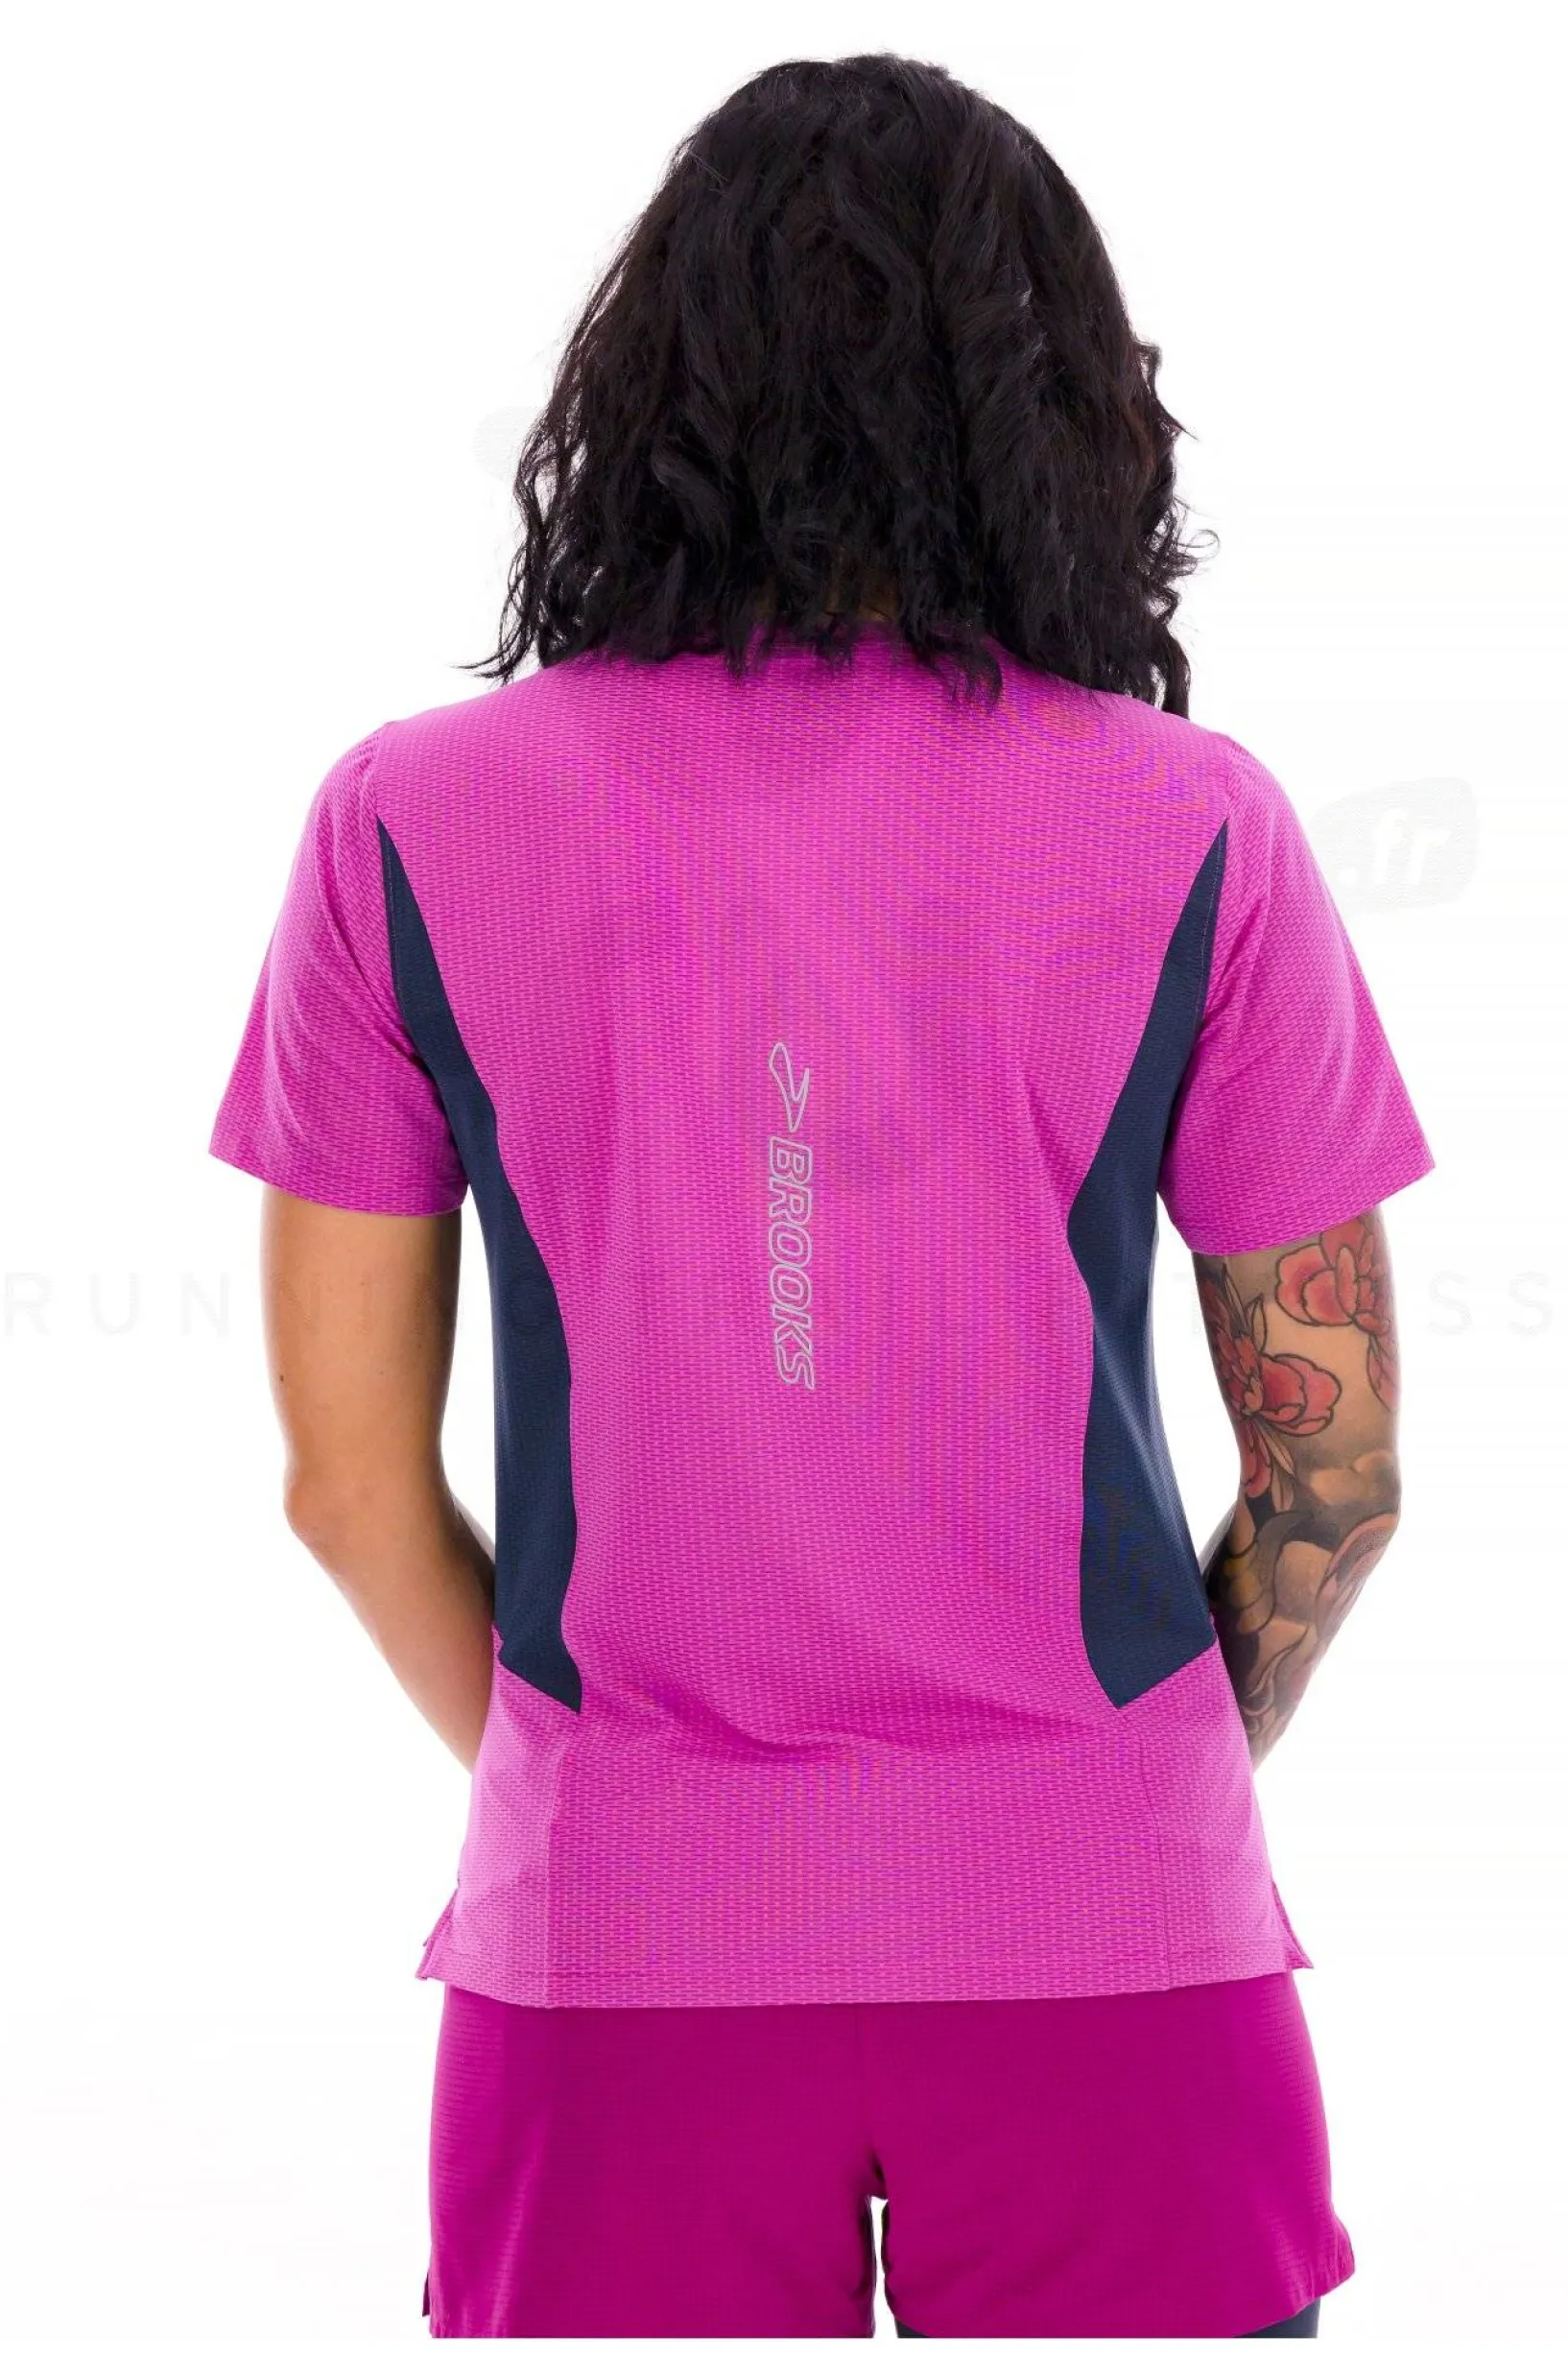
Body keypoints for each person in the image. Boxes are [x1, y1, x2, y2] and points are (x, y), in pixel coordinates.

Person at [209, 52, 1435, 2340]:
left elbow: (345, 1485)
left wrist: (629, 1807)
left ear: (641, 392)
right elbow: (1334, 1477)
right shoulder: (1198, 823)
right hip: (1113, 1949)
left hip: (612, 1963)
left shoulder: (406, 819)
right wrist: (1106, 1789)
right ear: (1055, 407)